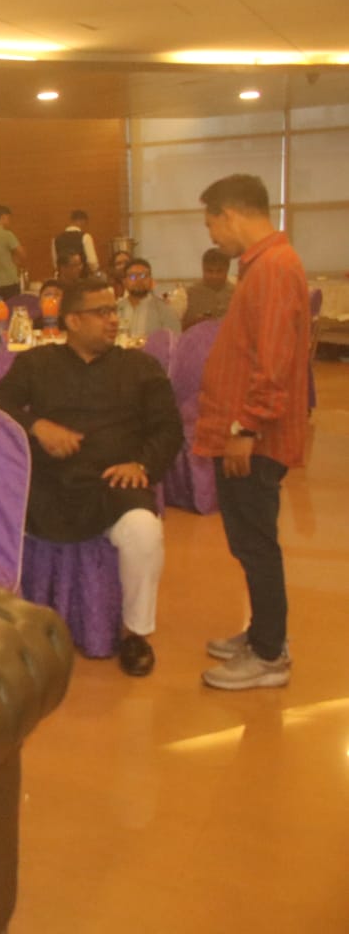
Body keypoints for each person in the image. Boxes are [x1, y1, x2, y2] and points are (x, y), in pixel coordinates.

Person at [0, 277, 183, 677]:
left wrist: (141, 465)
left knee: (144, 532)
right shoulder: (37, 363)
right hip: (50, 484)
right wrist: (37, 426)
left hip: (113, 484)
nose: (113, 320)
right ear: (73, 320)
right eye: (102, 312)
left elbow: (169, 430)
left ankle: (135, 633)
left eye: (114, 311)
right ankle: (9, 626)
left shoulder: (140, 367)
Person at [194, 174, 311, 691]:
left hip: (253, 438)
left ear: (230, 214)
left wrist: (246, 427)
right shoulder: (263, 266)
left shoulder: (275, 268)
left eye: (211, 224)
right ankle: (264, 633)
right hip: (243, 431)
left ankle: (268, 655)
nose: (212, 236)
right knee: (248, 542)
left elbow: (275, 360)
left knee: (257, 543)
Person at [116, 258, 181, 338]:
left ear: (151, 280)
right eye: (133, 276)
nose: (139, 280)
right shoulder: (116, 309)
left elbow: (174, 340)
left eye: (143, 276)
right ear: (124, 282)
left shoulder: (164, 310)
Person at [182, 247, 235, 329]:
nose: (214, 276)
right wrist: (196, 322)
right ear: (203, 269)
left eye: (219, 271)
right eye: (209, 271)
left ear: (227, 270)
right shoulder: (188, 295)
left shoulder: (237, 293)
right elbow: (179, 329)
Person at [51, 209, 100, 275]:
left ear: (71, 220)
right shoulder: (85, 237)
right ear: (83, 221)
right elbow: (92, 262)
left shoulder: (56, 239)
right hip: (82, 277)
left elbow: (55, 264)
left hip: (63, 278)